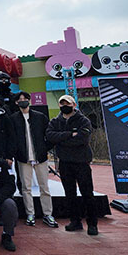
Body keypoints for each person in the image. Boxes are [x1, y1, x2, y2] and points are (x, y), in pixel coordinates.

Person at [46, 95, 97, 235]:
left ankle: (92, 224)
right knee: (70, 194)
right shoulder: (55, 121)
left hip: (81, 162)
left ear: (74, 105)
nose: (65, 106)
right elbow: (50, 136)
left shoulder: (83, 121)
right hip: (64, 163)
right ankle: (75, 221)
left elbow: (82, 139)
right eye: (62, 104)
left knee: (87, 193)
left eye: (67, 103)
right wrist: (70, 134)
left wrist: (61, 139)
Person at [11, 91, 58, 228]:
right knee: (26, 188)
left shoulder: (40, 117)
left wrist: (45, 148)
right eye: (20, 99)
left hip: (40, 157)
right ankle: (30, 214)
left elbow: (49, 134)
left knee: (44, 187)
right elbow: (11, 138)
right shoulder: (13, 119)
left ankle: (48, 214)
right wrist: (17, 152)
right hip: (23, 158)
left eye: (25, 98)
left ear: (30, 100)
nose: (23, 101)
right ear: (16, 102)